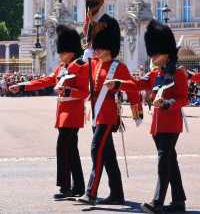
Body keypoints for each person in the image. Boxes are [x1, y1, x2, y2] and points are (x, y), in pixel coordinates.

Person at [105, 19, 188, 213]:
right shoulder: (155, 74)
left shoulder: (179, 73)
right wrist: (119, 83)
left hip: (171, 124)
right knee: (170, 161)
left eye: (156, 53)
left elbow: (183, 99)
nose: (153, 57)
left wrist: (167, 103)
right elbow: (136, 84)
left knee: (163, 162)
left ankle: (158, 202)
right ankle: (179, 200)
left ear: (166, 52)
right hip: (158, 127)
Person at [69, 14, 141, 205]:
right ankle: (117, 194)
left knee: (96, 150)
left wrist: (136, 112)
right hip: (96, 114)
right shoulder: (94, 65)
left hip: (108, 115)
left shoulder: (118, 66)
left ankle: (90, 192)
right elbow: (73, 73)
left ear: (109, 47)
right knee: (107, 155)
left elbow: (133, 87)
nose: (96, 49)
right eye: (96, 46)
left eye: (99, 46)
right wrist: (81, 60)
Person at [9, 25, 87, 199]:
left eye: (62, 51)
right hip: (63, 115)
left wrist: (68, 92)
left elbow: (84, 92)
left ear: (72, 51)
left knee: (62, 149)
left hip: (73, 115)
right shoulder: (61, 67)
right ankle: (79, 187)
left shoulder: (81, 66)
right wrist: (22, 86)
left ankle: (65, 187)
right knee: (71, 151)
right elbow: (45, 81)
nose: (59, 54)